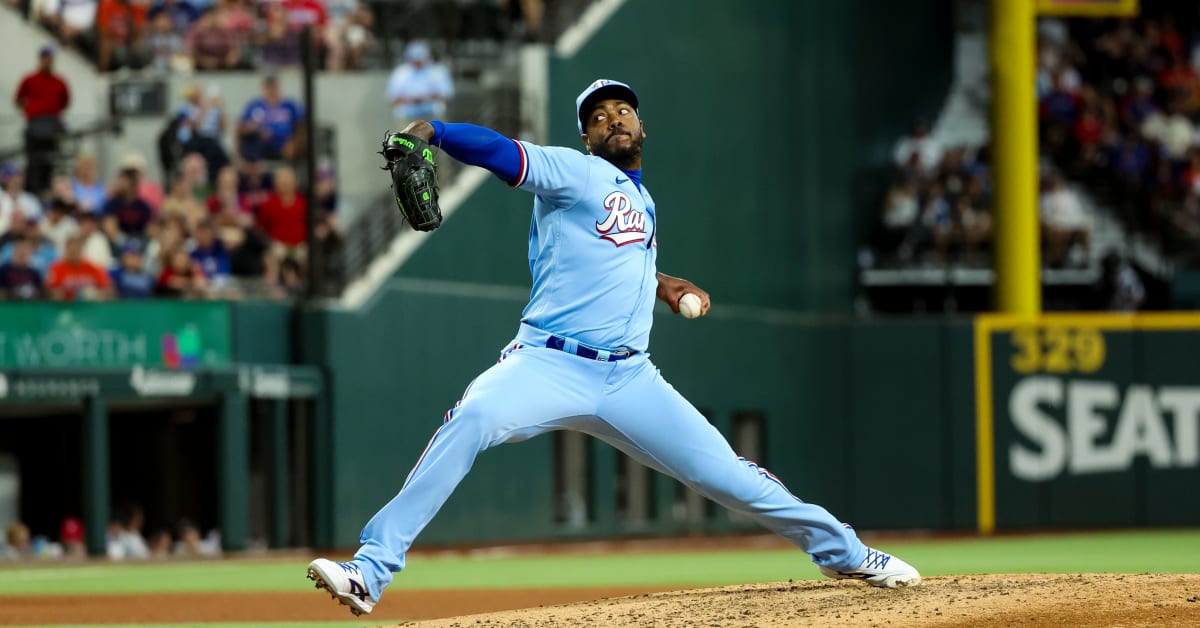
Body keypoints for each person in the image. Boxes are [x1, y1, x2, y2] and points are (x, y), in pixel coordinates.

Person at [305, 79, 921, 617]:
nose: (612, 120)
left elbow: (609, 263)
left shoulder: (643, 203)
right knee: (471, 420)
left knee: (729, 475)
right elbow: (499, 151)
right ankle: (371, 569)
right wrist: (433, 131)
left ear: (641, 125)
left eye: (622, 111)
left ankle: (846, 553)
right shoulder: (576, 172)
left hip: (630, 381)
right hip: (547, 362)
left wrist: (661, 281)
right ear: (587, 140)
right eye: (598, 118)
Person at [13, 46, 70, 195]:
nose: (48, 61)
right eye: (45, 57)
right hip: (35, 125)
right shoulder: (30, 79)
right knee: (33, 161)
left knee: (50, 161)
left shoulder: (59, 81)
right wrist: (30, 111)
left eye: (50, 58)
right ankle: (31, 191)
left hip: (52, 126)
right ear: (40, 59)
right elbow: (18, 99)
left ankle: (46, 190)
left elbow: (65, 102)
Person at [384, 41, 454, 131]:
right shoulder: (400, 72)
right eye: (414, 58)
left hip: (432, 113)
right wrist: (410, 100)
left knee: (436, 138)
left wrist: (425, 98)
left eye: (420, 58)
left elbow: (446, 94)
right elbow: (392, 98)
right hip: (407, 115)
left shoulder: (438, 71)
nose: (417, 61)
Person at [237, 75, 305, 162]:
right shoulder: (254, 105)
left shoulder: (290, 105)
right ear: (264, 88)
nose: (272, 90)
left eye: (274, 86)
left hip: (286, 145)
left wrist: (294, 143)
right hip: (260, 146)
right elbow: (241, 129)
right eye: (269, 87)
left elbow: (302, 126)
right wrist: (256, 130)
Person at [47, 234, 114, 300]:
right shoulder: (57, 268)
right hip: (65, 306)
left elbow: (107, 287)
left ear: (81, 250)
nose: (73, 253)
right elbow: (52, 290)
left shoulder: (92, 267)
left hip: (90, 306)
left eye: (76, 249)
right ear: (66, 250)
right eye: (71, 250)